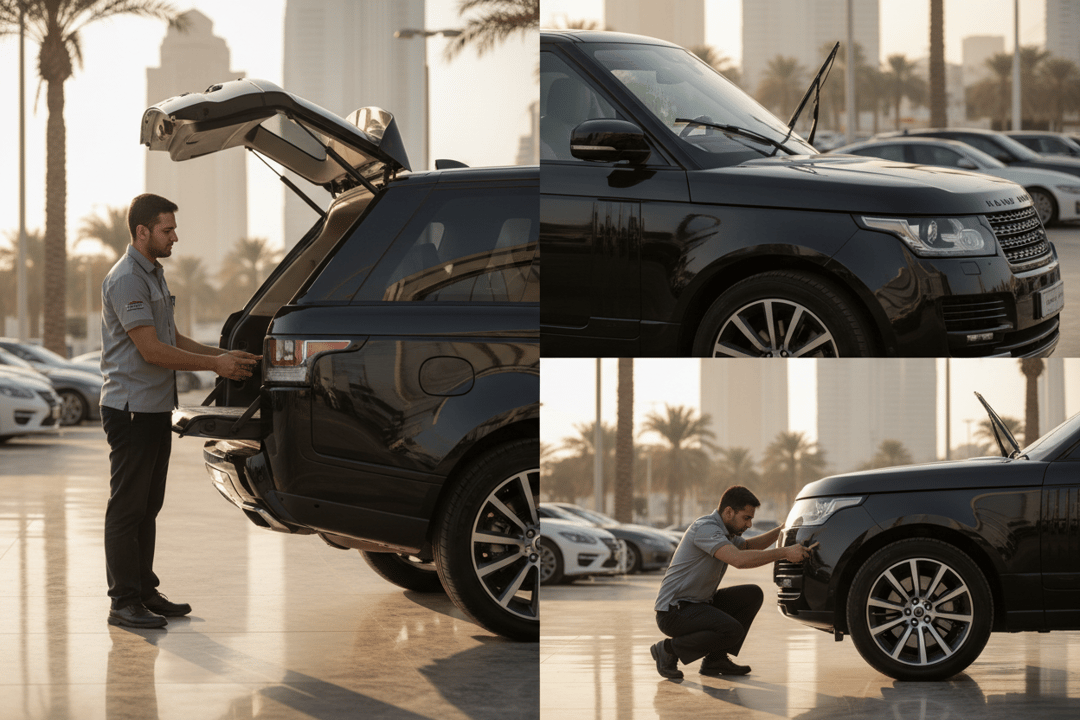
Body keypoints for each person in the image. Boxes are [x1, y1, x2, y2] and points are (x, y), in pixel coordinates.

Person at [100, 193, 261, 629]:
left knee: (148, 505)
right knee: (127, 507)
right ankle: (123, 602)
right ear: (142, 232)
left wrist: (225, 355)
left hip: (153, 410)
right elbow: (151, 350)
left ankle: (145, 591)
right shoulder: (127, 279)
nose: (175, 236)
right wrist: (215, 365)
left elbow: (171, 336)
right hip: (130, 410)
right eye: (167, 229)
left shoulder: (152, 274)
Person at [650, 485, 811, 679]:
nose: (750, 524)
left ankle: (715, 660)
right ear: (728, 512)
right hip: (674, 611)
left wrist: (782, 530)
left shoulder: (724, 532)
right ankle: (668, 650)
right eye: (746, 518)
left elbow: (748, 546)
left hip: (698, 605)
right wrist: (784, 552)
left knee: (751, 594)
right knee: (732, 630)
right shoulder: (706, 529)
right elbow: (739, 560)